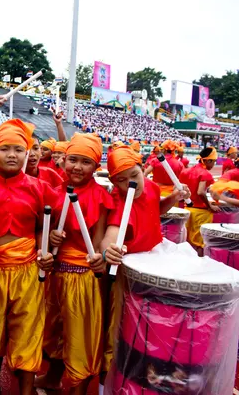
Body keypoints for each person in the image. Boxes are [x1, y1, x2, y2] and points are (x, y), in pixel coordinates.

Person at [0, 119, 57, 395]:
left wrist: (44, 251)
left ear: (27, 152)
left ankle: (26, 390)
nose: (12, 155)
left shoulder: (39, 188)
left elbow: (43, 227)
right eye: (5, 149)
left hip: (28, 269)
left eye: (18, 149)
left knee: (28, 331)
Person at [99, 145, 189, 394]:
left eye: (133, 175)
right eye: (121, 180)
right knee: (121, 331)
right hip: (131, 274)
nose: (130, 183)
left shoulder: (150, 187)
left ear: (143, 169)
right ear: (113, 182)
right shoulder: (119, 203)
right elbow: (111, 236)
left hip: (155, 262)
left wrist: (172, 199)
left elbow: (155, 209)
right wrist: (109, 251)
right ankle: (110, 379)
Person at [40, 133, 113, 395]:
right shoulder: (53, 193)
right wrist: (49, 237)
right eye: (72, 160)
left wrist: (99, 261)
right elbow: (43, 236)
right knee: (54, 333)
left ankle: (77, 390)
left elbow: (99, 242)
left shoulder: (101, 197)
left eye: (85, 162)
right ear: (63, 160)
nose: (77, 167)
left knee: (79, 338)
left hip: (83, 278)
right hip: (55, 276)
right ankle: (52, 379)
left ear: (96, 166)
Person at [180, 147, 219, 255]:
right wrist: (209, 206)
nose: (214, 164)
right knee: (199, 244)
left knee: (186, 241)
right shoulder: (205, 173)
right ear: (208, 160)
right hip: (200, 213)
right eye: (214, 162)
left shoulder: (186, 171)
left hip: (187, 209)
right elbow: (200, 192)